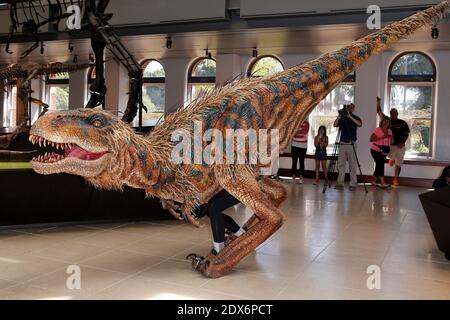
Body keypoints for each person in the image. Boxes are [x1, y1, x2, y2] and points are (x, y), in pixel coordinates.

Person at [376, 97, 410, 187]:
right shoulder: (387, 121)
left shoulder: (402, 123)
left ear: (397, 114)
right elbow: (379, 112)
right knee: (389, 157)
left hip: (400, 146)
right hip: (390, 145)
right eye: (391, 113)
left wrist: (403, 142)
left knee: (399, 163)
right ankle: (392, 159)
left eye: (395, 113)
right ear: (390, 114)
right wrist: (378, 102)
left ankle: (395, 178)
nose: (393, 114)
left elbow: (406, 133)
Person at [206, 189, 246, 255]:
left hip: (245, 185)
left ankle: (219, 250)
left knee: (213, 206)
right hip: (232, 183)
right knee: (209, 209)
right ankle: (241, 233)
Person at [333, 103, 363, 191]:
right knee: (340, 165)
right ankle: (340, 183)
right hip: (342, 144)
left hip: (351, 144)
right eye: (348, 107)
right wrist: (339, 117)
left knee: (352, 165)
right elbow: (335, 125)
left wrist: (350, 116)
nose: (349, 109)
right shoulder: (342, 118)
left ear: (353, 109)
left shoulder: (355, 117)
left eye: (351, 107)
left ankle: (353, 184)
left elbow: (360, 124)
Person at [370, 116, 393, 189]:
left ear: (389, 123)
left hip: (384, 151)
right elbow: (371, 139)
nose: (386, 122)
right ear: (381, 122)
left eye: (387, 121)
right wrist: (382, 137)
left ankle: (373, 181)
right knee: (380, 165)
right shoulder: (377, 130)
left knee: (378, 165)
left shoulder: (389, 131)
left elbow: (392, 142)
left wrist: (391, 136)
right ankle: (383, 183)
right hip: (375, 150)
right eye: (384, 121)